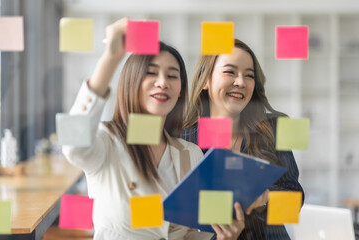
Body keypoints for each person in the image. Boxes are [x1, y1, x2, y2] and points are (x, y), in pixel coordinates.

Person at [62, 18, 245, 240]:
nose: (162, 82)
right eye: (151, 72)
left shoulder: (189, 153)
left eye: (172, 76)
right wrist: (110, 59)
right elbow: (72, 145)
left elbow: (187, 235)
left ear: (180, 90)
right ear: (132, 81)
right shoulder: (108, 141)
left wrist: (225, 238)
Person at [183, 38, 304, 239]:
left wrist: (265, 197)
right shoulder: (184, 137)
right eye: (230, 72)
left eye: (249, 75)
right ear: (206, 80)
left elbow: (295, 202)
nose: (240, 82)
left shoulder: (276, 126)